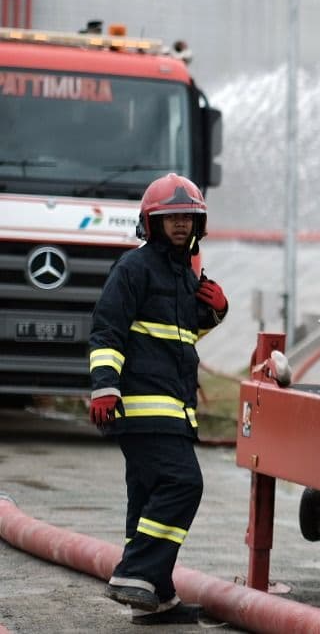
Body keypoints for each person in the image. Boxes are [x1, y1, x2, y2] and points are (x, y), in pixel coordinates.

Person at [88, 173, 229, 625]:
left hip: (173, 407)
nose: (181, 225)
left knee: (148, 496)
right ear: (152, 224)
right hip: (143, 407)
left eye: (187, 218)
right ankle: (136, 573)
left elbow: (182, 335)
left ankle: (158, 596)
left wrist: (214, 311)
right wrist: (105, 387)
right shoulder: (133, 269)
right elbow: (107, 330)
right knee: (184, 483)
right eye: (171, 219)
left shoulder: (186, 276)